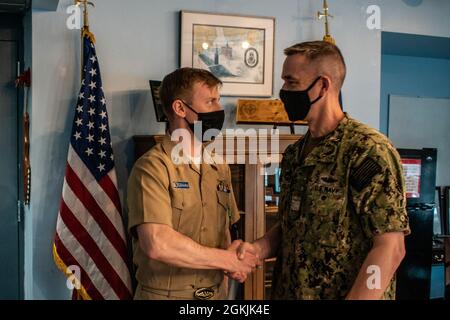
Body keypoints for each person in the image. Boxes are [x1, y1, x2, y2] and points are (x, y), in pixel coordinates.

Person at [231, 41, 410, 300]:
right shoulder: (295, 154)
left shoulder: (367, 151)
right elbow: (293, 225)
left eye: (291, 83)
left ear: (323, 85)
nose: (283, 92)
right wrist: (257, 249)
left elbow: (390, 247)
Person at [127, 67, 258, 300]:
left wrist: (230, 266)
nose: (219, 110)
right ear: (180, 108)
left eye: (218, 100)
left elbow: (225, 233)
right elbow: (157, 243)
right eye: (210, 102)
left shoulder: (220, 168)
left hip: (214, 294)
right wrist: (227, 260)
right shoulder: (152, 167)